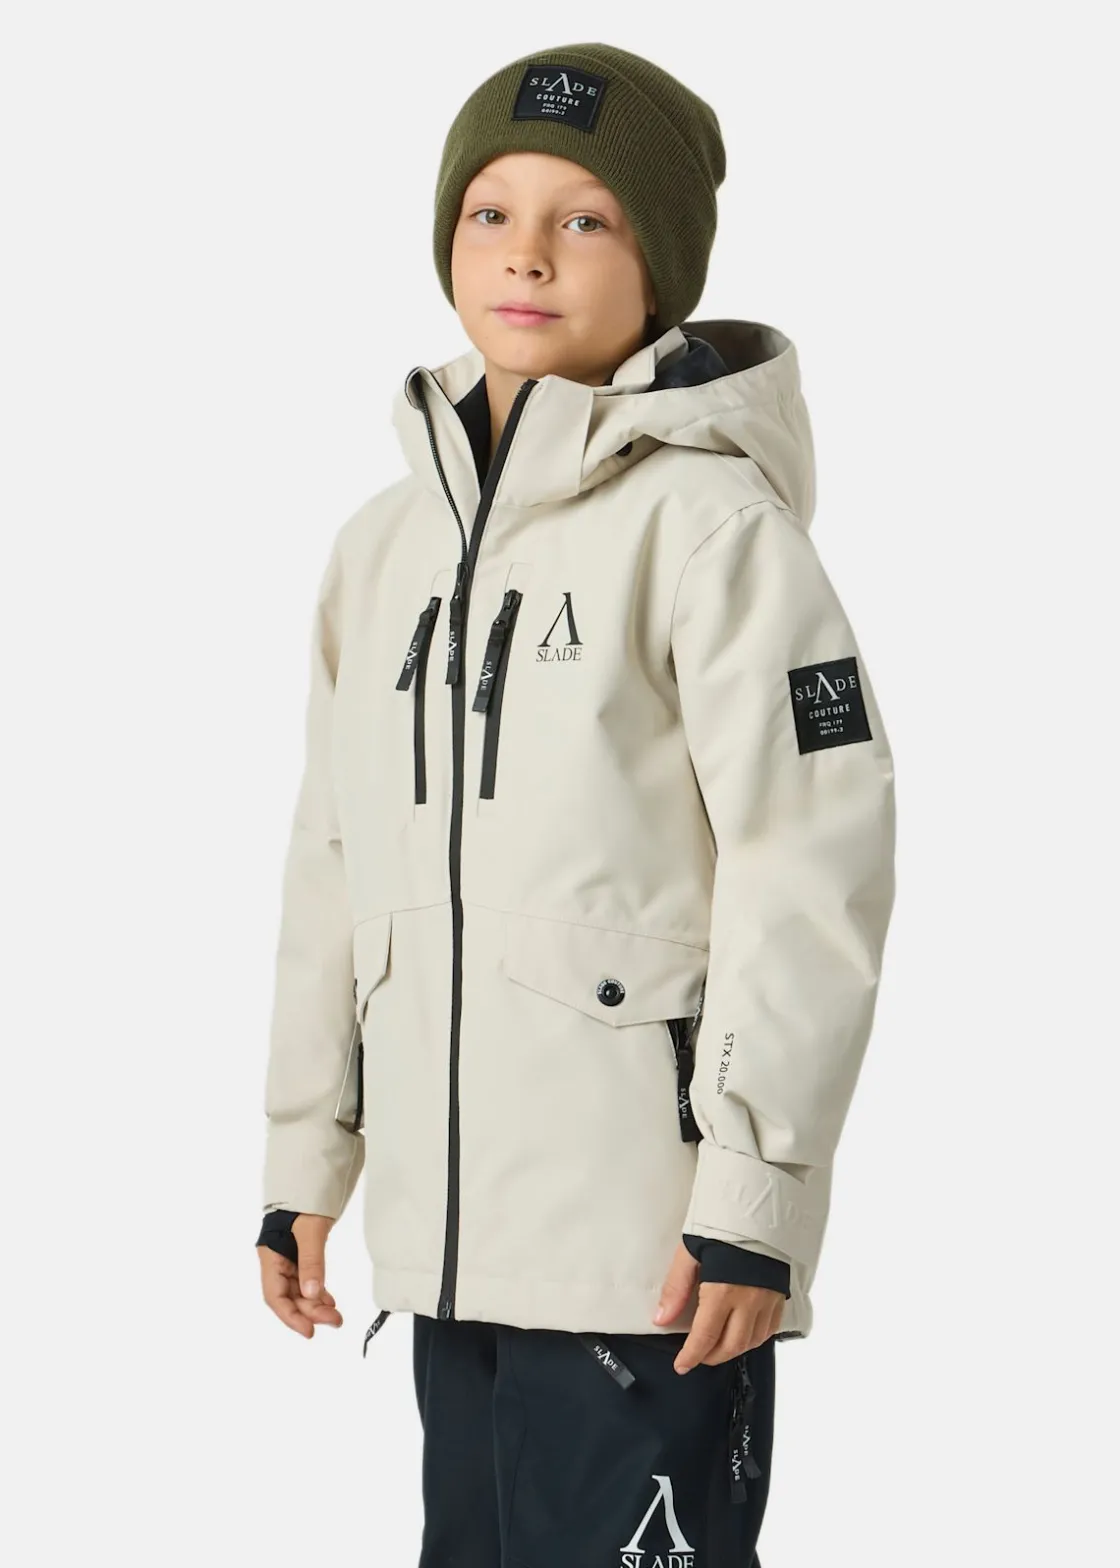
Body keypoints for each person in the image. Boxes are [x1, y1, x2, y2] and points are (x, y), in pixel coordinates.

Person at [255, 40, 897, 1568]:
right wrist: (303, 1164)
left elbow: (810, 866)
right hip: (450, 1256)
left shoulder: (714, 532)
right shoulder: (382, 551)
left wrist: (753, 1198)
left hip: (651, 1261)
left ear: (659, 264)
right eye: (491, 212)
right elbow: (334, 866)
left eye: (585, 218)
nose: (527, 253)